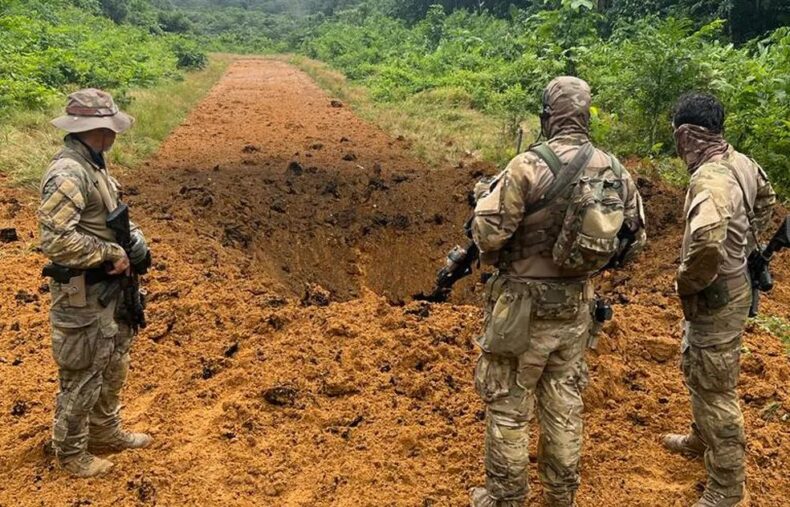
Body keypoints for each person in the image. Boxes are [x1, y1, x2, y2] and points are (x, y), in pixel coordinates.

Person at [469, 76, 646, 506]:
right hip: (575, 308)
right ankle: (561, 495)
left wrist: (480, 202)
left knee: (510, 405)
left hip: (520, 310)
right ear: (586, 117)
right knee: (564, 402)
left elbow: (489, 235)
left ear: (547, 117)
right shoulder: (614, 169)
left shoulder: (526, 167)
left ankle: (507, 497)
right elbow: (634, 239)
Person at [662, 92, 776, 507]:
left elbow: (707, 242)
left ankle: (727, 489)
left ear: (688, 136)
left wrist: (687, 281)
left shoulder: (709, 179)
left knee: (715, 385)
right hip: (735, 283)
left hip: (716, 292)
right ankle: (700, 436)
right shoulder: (741, 162)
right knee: (700, 364)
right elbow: (766, 202)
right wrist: (743, 245)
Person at [38, 89, 153, 477]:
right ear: (100, 130)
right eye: (111, 128)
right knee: (83, 371)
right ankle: (71, 453)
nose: (115, 135)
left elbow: (111, 215)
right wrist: (109, 254)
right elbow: (55, 240)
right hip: (82, 292)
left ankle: (105, 430)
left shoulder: (95, 165)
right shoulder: (68, 173)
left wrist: (134, 243)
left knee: (113, 362)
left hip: (109, 291)